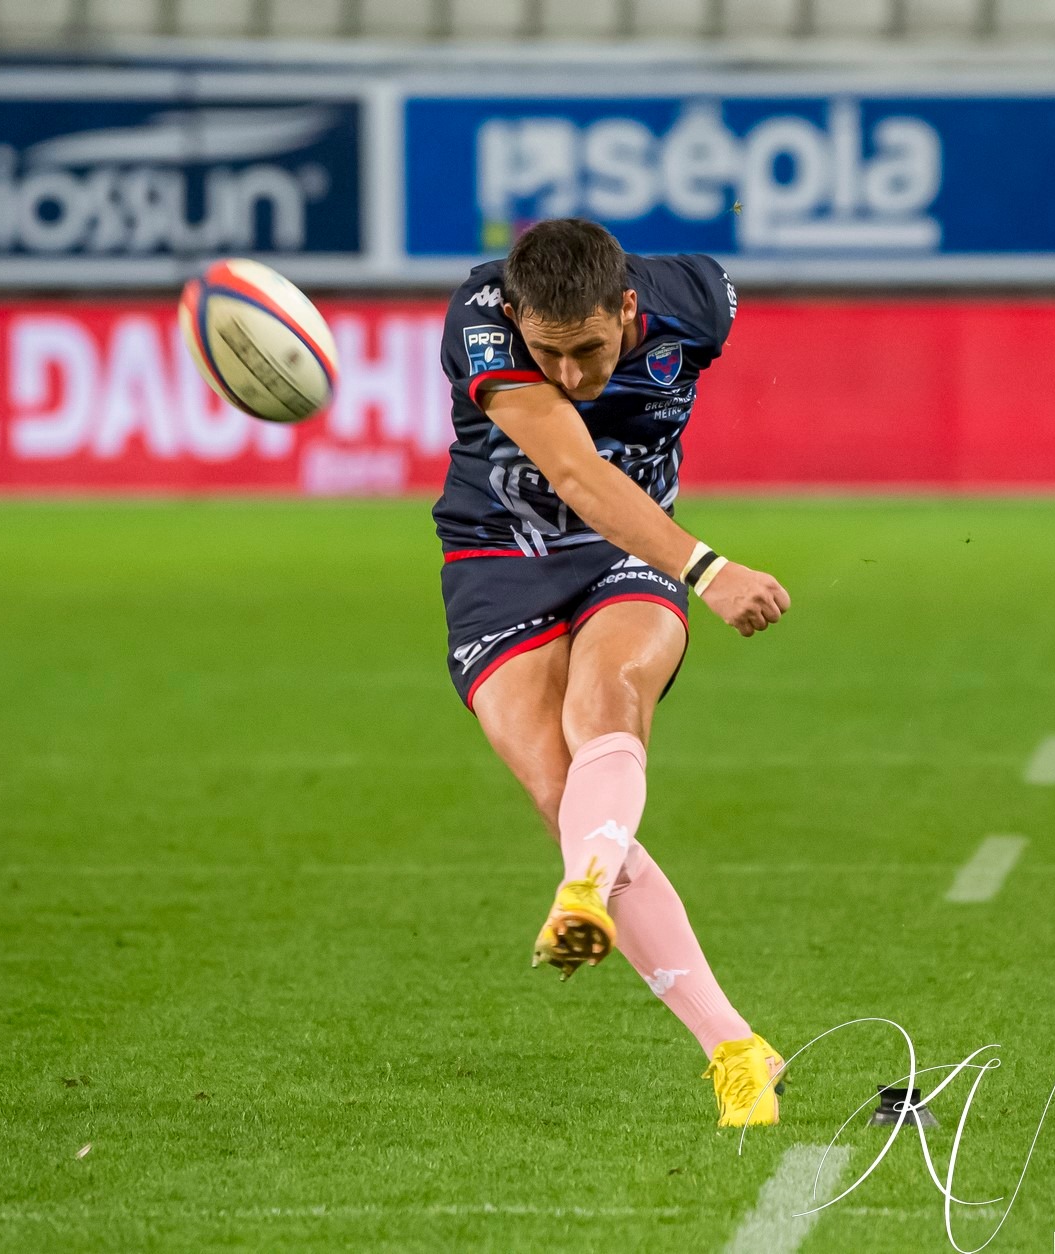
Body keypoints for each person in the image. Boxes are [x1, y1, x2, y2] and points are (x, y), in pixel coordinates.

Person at [435, 218, 792, 1127]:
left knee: (612, 700)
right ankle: (738, 1047)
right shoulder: (480, 316)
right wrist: (714, 570)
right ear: (517, 317)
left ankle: (584, 888)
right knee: (567, 801)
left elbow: (610, 497)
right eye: (547, 353)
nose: (570, 375)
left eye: (589, 350)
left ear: (627, 307)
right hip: (498, 560)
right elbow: (574, 466)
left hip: (629, 553)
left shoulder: (700, 300)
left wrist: (684, 566)